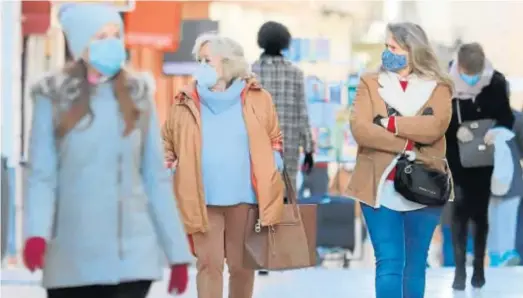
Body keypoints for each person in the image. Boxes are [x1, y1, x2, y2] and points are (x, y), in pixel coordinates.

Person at [22, 4, 192, 298]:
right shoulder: (52, 96)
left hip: (131, 258)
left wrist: (177, 254)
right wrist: (36, 233)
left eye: (116, 35)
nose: (111, 44)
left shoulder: (138, 95)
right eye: (101, 36)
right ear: (81, 44)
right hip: (73, 257)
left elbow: (155, 179)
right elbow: (42, 176)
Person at [162, 32, 285, 298]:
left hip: (245, 198)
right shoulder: (185, 100)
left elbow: (275, 138)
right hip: (201, 200)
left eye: (207, 60)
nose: (201, 66)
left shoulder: (257, 98)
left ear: (228, 63)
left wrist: (274, 164)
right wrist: (169, 169)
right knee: (208, 264)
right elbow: (167, 143)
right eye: (199, 60)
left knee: (242, 267)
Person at [347, 22, 453, 298]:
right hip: (378, 188)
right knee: (390, 263)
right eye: (386, 47)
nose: (387, 52)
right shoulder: (370, 82)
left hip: (425, 184)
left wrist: (389, 122)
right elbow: (362, 129)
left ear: (412, 50)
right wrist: (407, 141)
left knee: (416, 265)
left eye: (393, 47)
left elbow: (435, 127)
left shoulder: (439, 86)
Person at [446, 43, 514, 290]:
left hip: (484, 158)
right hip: (456, 159)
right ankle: (459, 270)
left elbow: (507, 116)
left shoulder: (495, 82)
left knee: (480, 214)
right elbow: (439, 119)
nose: (471, 80)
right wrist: (456, 131)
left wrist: (495, 130)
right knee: (458, 213)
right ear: (459, 66)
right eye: (466, 73)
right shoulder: (447, 82)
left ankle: (478, 268)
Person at [252, 21, 315, 191]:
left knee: (257, 194)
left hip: (255, 144)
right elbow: (302, 113)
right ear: (285, 42)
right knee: (286, 195)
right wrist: (309, 149)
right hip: (288, 146)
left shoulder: (250, 73)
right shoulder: (295, 73)